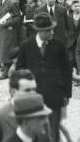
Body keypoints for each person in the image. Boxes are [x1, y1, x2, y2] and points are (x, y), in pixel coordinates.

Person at [16, 12, 71, 142]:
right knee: (34, 131)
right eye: (48, 30)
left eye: (52, 29)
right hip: (33, 96)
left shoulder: (59, 45)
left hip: (55, 95)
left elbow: (66, 70)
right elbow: (20, 70)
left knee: (52, 131)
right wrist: (20, 92)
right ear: (39, 31)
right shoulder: (26, 46)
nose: (52, 33)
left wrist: (66, 94)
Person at [0, 69, 43, 142]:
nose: (32, 94)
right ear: (13, 92)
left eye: (34, 89)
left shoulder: (41, 113)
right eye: (27, 90)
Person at [0, 0, 23, 80]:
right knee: (2, 50)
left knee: (7, 50)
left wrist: (8, 23)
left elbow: (18, 17)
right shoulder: (0, 1)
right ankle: (6, 69)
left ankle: (6, 71)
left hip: (8, 30)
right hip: (1, 29)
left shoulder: (12, 2)